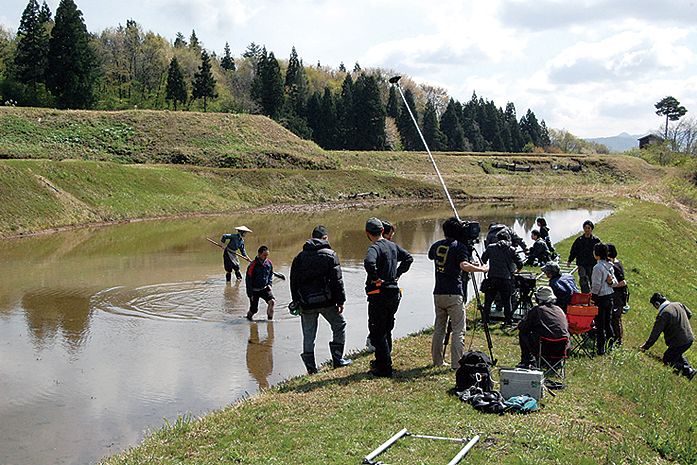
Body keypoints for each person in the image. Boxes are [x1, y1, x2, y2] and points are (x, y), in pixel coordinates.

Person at [290, 225, 351, 374]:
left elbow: (293, 282)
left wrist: (296, 301)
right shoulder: (330, 255)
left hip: (306, 303)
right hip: (327, 301)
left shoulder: (299, 258)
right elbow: (337, 281)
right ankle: (337, 359)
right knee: (339, 324)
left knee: (308, 335)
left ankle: (311, 369)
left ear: (312, 238)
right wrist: (340, 301)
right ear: (325, 238)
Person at [428, 217, 488, 369]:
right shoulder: (460, 246)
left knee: (439, 329)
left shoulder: (437, 245)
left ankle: (437, 361)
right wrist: (482, 268)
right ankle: (457, 364)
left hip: (438, 293)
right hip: (454, 293)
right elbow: (463, 265)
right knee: (458, 330)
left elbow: (433, 256)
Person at [364, 217, 413, 377]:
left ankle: (384, 368)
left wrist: (375, 277)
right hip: (394, 293)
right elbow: (408, 258)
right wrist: (397, 274)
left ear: (367, 233)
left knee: (377, 332)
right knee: (387, 329)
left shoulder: (374, 248)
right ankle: (383, 361)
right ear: (382, 231)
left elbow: (369, 263)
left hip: (379, 294)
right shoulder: (392, 246)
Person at [640, 293, 695, 380]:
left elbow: (655, 334)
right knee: (675, 353)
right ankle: (689, 368)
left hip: (679, 341)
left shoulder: (663, 314)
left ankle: (688, 370)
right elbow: (690, 314)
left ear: (657, 304)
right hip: (690, 338)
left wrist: (645, 347)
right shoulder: (678, 304)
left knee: (667, 359)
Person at [517, 286, 570, 368]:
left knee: (523, 333)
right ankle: (555, 362)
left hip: (545, 348)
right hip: (562, 348)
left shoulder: (537, 310)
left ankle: (527, 361)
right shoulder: (559, 309)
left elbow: (523, 327)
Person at [481, 230, 524, 327]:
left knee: (488, 300)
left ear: (497, 238)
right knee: (507, 301)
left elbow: (483, 260)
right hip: (506, 279)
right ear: (508, 238)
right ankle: (508, 321)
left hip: (492, 278)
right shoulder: (512, 249)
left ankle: (485, 320)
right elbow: (520, 264)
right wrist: (516, 271)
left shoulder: (490, 247)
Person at [590, 243, 615, 355]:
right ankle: (611, 345)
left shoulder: (597, 267)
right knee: (608, 322)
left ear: (597, 254)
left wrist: (593, 299)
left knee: (600, 324)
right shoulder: (609, 265)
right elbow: (613, 282)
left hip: (600, 298)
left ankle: (601, 348)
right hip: (610, 296)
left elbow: (596, 285)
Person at [567, 220, 601, 293]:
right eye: (585, 228)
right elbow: (574, 251)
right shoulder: (579, 240)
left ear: (591, 229)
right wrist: (570, 260)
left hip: (592, 264)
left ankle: (594, 295)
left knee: (593, 280)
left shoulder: (596, 240)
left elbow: (601, 251)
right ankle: (585, 295)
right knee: (583, 279)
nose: (587, 230)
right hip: (582, 264)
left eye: (589, 228)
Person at [245, 245, 275, 321]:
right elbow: (248, 280)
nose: (265, 257)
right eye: (264, 255)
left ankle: (270, 321)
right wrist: (250, 294)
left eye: (267, 255)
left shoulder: (269, 263)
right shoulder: (253, 265)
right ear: (259, 254)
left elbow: (270, 274)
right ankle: (248, 319)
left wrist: (269, 284)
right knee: (254, 310)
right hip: (254, 290)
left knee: (272, 302)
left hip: (265, 288)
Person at [607, 243, 628, 346]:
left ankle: (617, 341)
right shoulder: (617, 262)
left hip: (618, 297)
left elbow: (623, 282)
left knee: (615, 318)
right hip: (619, 296)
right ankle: (617, 339)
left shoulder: (614, 266)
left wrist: (611, 286)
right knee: (616, 319)